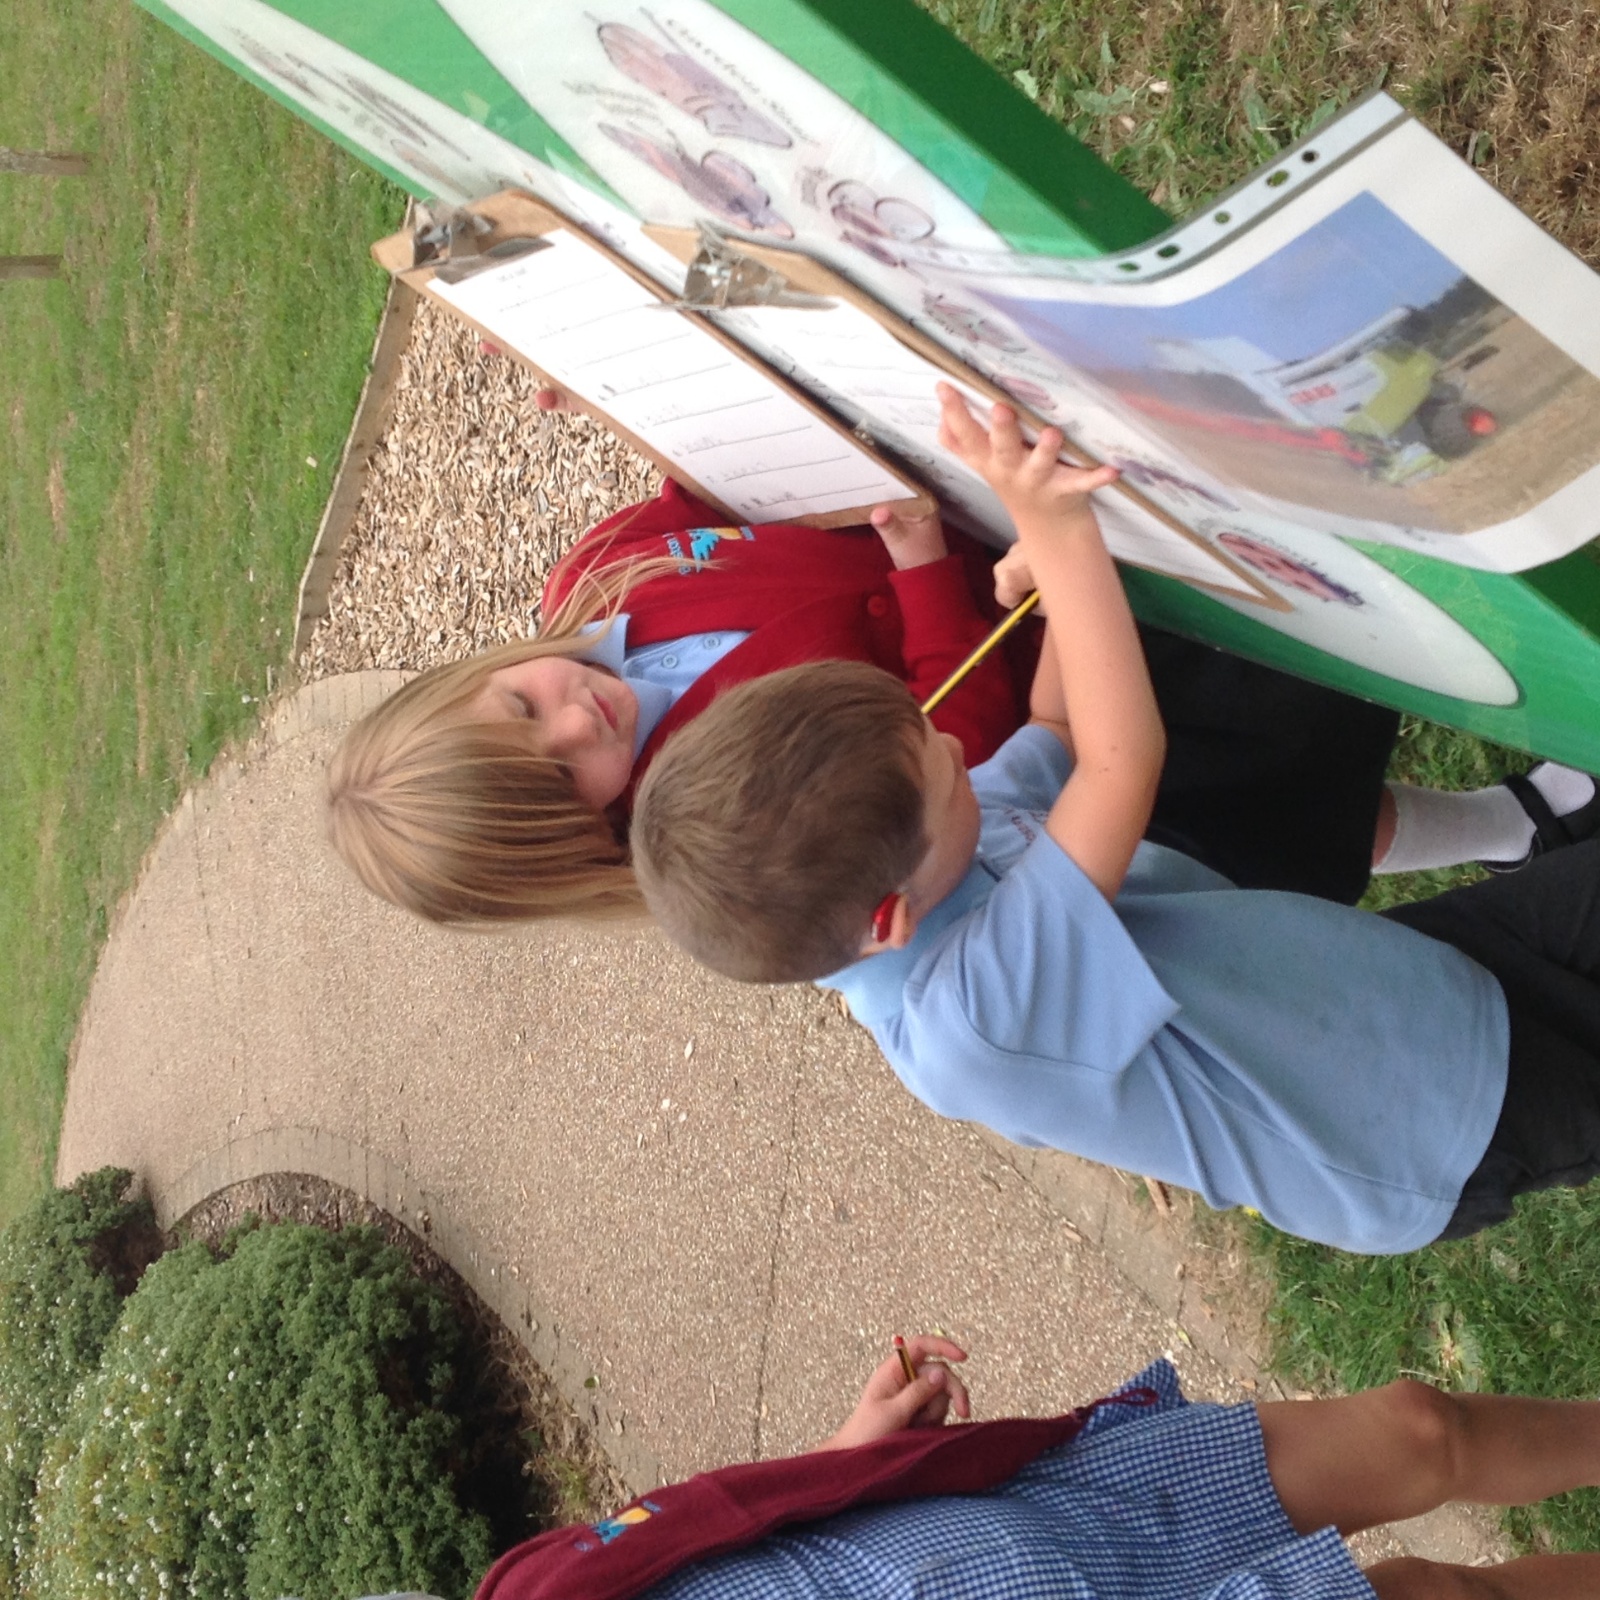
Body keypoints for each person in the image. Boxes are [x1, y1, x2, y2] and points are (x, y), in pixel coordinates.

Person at [630, 388, 1600, 1255]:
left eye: (929, 731)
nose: (960, 748)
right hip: (1434, 1125)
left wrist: (1063, 585)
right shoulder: (970, 1022)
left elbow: (1056, 730)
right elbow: (1118, 764)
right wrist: (1060, 536)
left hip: (1405, 991)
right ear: (888, 917)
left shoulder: (930, 859)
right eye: (943, 771)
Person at [326, 384, 1595, 929]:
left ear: (482, 668)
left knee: (1298, 571)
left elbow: (710, 491)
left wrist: (633, 398)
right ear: (576, 845)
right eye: (561, 778)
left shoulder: (597, 578)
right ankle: (1510, 819)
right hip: (1046, 663)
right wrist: (925, 567)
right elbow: (955, 749)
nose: (576, 721)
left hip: (1020, 526)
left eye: (522, 704)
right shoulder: (714, 817)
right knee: (1293, 773)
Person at [474, 1334, 1600, 1599]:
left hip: (1020, 1530)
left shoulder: (523, 1587)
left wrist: (846, 1452)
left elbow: (694, 1537)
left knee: (1416, 1430)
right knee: (1437, 1598)